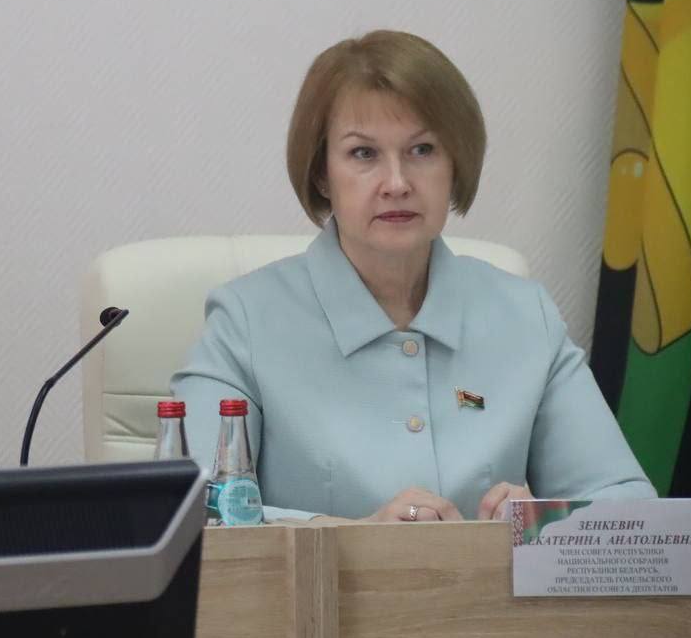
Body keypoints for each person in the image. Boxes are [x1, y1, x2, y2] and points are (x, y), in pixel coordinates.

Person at [172, 30, 654, 523]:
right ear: (321, 173)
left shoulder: (525, 316)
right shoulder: (246, 323)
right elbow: (189, 513)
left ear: (454, 165)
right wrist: (353, 540)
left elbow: (631, 506)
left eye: (422, 150)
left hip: (480, 581)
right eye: (364, 154)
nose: (398, 183)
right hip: (319, 580)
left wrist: (543, 522)